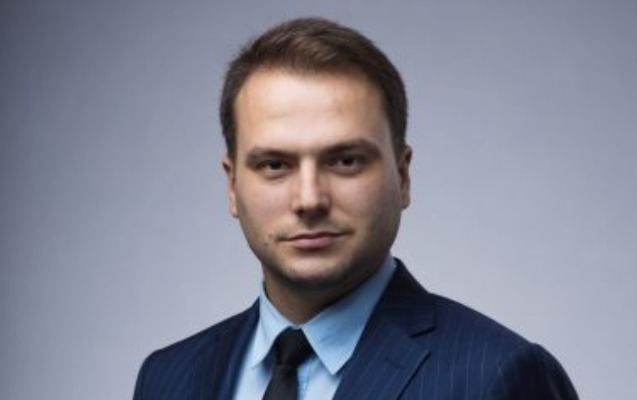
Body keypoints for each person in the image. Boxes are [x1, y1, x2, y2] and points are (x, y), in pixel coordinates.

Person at [133, 17, 579, 399]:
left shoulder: (497, 377)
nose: (309, 199)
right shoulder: (168, 379)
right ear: (233, 185)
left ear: (402, 176)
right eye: (275, 165)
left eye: (345, 161)